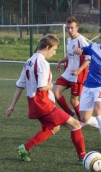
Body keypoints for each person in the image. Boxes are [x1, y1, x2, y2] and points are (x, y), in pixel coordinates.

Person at [6, 34, 86, 165]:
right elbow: (43, 87)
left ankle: (25, 148)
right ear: (47, 47)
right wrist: (52, 85)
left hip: (34, 106)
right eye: (54, 50)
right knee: (76, 125)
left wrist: (12, 105)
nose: (54, 54)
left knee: (54, 128)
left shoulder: (28, 61)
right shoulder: (43, 63)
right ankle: (83, 157)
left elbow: (20, 85)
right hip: (44, 105)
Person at [53, 16, 90, 121]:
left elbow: (89, 58)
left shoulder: (82, 41)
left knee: (73, 100)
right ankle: (70, 113)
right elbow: (70, 56)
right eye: (68, 28)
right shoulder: (68, 40)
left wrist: (79, 70)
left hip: (78, 76)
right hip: (68, 73)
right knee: (55, 93)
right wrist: (60, 61)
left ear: (77, 27)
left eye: (72, 28)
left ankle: (81, 121)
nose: (69, 30)